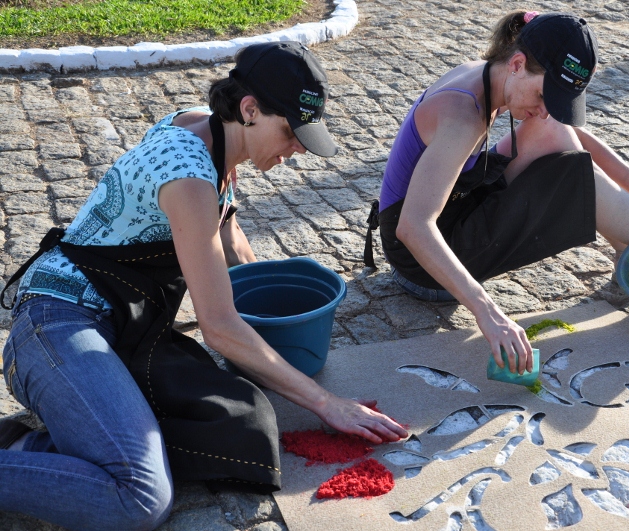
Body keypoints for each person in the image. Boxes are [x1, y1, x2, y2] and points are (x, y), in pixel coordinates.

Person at [0, 42, 407, 531]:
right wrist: (326, 403)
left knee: (237, 424)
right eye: (290, 132)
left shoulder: (207, 126)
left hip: (122, 323)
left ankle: (32, 446)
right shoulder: (189, 176)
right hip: (55, 325)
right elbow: (218, 326)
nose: (298, 149)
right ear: (249, 109)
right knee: (139, 499)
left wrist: (275, 316)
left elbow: (228, 233)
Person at [365, 11, 629, 376]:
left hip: (453, 206)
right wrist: (490, 314)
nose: (544, 108)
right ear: (517, 64)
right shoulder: (461, 118)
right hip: (420, 268)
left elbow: (574, 135)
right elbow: (413, 227)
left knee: (556, 133)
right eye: (544, 96)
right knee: (573, 174)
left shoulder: (490, 73)